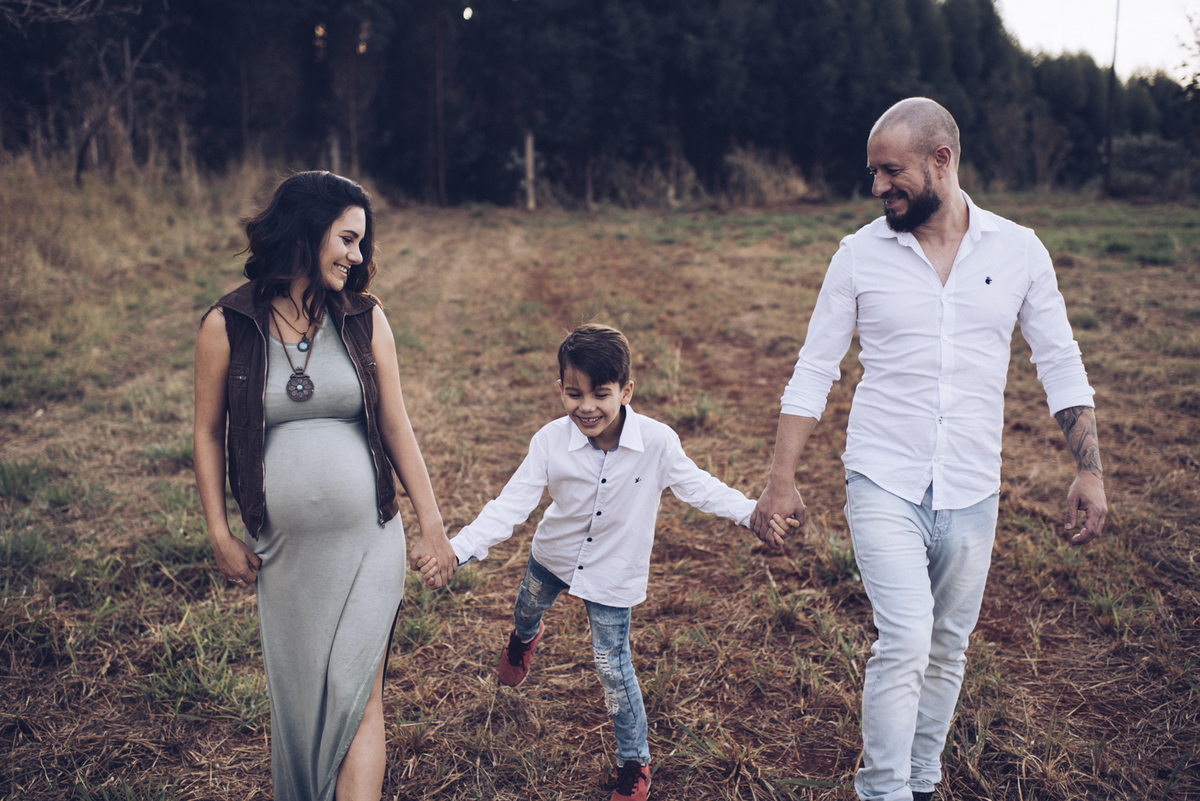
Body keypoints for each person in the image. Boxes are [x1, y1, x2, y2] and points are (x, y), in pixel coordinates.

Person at [750, 98, 1107, 801]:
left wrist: (1089, 468)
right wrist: (780, 478)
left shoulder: (1019, 251)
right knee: (907, 639)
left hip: (973, 486)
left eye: (891, 171)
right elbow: (815, 368)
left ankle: (920, 779)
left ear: (941, 160)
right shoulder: (858, 255)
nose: (877, 186)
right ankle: (883, 790)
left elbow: (1060, 361)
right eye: (873, 172)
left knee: (947, 648)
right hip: (883, 477)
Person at [430, 323, 793, 801]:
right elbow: (510, 505)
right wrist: (458, 548)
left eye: (601, 394)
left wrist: (751, 514)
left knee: (612, 667)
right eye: (574, 393)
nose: (586, 407)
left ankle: (633, 761)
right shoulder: (549, 441)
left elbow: (699, 487)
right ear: (560, 389)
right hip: (553, 556)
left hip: (613, 573)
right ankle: (524, 639)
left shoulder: (658, 443)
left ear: (626, 391)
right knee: (526, 609)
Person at [193, 171, 457, 801]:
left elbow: (396, 423)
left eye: (361, 243)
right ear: (308, 232)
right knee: (304, 702)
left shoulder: (365, 318)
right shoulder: (228, 323)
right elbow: (206, 433)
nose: (357, 257)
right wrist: (218, 532)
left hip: (370, 541)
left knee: (357, 695)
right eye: (346, 239)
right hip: (286, 558)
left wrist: (432, 523)